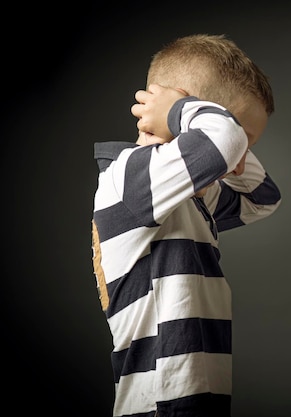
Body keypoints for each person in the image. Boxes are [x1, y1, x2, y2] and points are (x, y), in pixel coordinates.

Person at [91, 34, 281, 417]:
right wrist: (183, 111)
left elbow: (264, 200)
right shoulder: (130, 179)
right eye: (241, 139)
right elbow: (221, 139)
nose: (241, 156)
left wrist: (233, 149)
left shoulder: (192, 198)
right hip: (162, 401)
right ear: (184, 109)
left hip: (196, 394)